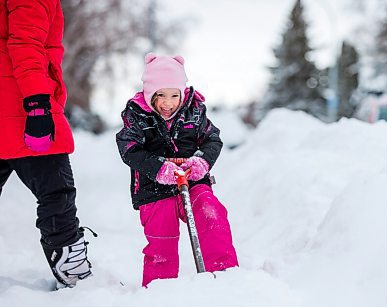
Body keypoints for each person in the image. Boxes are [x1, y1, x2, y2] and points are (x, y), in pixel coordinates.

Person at [116, 53, 238, 287]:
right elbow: (128, 148)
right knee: (162, 242)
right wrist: (158, 167)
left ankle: (225, 278)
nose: (167, 103)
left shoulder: (194, 111)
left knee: (211, 213)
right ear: (150, 93)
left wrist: (201, 161)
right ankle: (159, 290)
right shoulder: (138, 114)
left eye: (174, 95)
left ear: (182, 93)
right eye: (160, 95)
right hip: (154, 188)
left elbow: (212, 139)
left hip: (191, 181)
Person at [0, 0, 92, 289]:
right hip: (21, 110)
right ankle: (72, 268)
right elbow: (26, 43)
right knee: (57, 193)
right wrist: (38, 103)